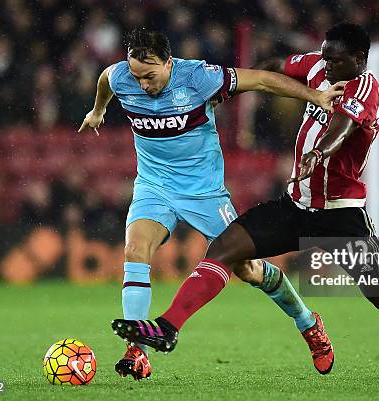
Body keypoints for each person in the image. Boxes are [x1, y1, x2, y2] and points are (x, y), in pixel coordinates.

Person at [114, 22, 379, 377]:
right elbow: (277, 67)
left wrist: (318, 152)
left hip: (340, 217)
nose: (326, 65)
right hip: (294, 207)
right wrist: (235, 89)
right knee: (223, 250)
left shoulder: (365, 88)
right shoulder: (317, 69)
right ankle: (166, 327)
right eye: (324, 56)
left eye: (335, 60)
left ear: (359, 60)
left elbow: (343, 125)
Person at [79, 27, 344, 380]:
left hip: (205, 193)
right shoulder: (122, 75)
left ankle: (308, 323)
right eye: (137, 76)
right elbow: (105, 80)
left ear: (169, 63)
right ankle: (138, 351)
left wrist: (315, 96)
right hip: (154, 187)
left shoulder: (199, 77)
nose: (142, 84)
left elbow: (263, 80)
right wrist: (98, 110)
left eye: (150, 75)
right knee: (134, 251)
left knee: (247, 270)